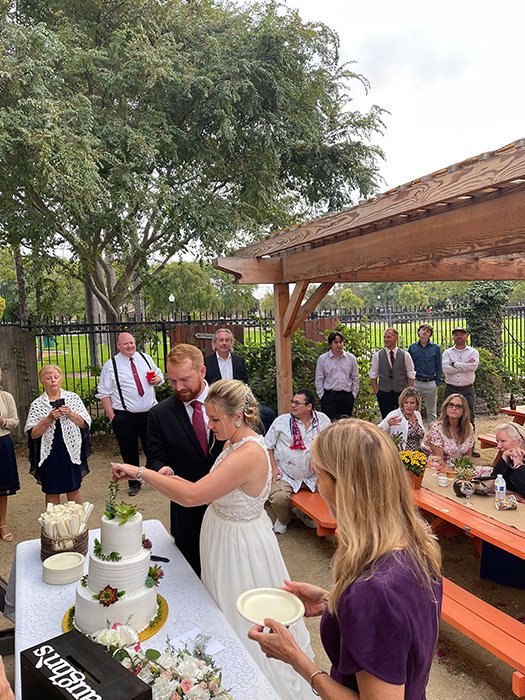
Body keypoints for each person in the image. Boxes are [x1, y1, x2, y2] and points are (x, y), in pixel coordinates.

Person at [113, 379, 313, 700]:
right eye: (208, 417)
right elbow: (210, 488)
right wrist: (171, 479)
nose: (210, 425)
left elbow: (194, 496)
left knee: (241, 620)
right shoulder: (233, 442)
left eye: (215, 419)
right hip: (225, 536)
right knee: (222, 611)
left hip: (239, 548)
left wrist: (140, 473)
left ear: (239, 416)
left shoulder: (248, 452)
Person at [248, 419, 442, 698]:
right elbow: (399, 623)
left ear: (344, 486)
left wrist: (296, 658)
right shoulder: (415, 541)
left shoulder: (371, 591)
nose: (316, 484)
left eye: (318, 474)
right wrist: (333, 600)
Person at [146, 344, 224, 576]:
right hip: (187, 514)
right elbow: (155, 459)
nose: (178, 387)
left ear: (202, 371)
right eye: (172, 381)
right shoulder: (159, 414)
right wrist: (163, 470)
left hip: (228, 509)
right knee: (192, 576)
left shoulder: (229, 402)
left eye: (185, 379)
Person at [97, 331, 164, 496]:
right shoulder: (111, 365)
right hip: (125, 416)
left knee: (153, 449)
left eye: (132, 343)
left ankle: (155, 478)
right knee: (129, 451)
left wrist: (158, 380)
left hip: (149, 414)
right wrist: (112, 417)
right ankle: (134, 482)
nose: (130, 346)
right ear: (118, 346)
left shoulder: (145, 358)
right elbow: (104, 393)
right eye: (126, 344)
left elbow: (159, 375)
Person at [265, 388, 331, 534]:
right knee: (278, 498)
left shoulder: (323, 420)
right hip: (286, 474)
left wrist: (323, 465)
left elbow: (330, 445)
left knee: (336, 490)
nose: (293, 405)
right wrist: (274, 469)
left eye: (297, 403)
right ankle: (283, 519)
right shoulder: (281, 421)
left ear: (309, 407)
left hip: (314, 475)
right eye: (292, 402)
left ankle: (306, 514)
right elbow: (267, 446)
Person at [25, 365, 91, 506]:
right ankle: (53, 526)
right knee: (52, 490)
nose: (53, 381)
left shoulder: (72, 398)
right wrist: (48, 418)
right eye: (48, 378)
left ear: (61, 378)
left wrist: (70, 413)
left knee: (73, 488)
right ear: (42, 381)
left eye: (56, 377)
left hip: (71, 450)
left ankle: (77, 525)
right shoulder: (37, 404)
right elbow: (33, 434)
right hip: (50, 453)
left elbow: (85, 424)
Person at [479, 422, 525, 588]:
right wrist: (505, 461)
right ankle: (495, 573)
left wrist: (519, 465)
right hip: (509, 508)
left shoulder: (521, 456)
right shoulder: (507, 454)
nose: (498, 445)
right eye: (497, 441)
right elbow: (493, 481)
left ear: (518, 441)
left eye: (502, 441)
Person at [204, 328, 274, 432]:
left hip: (238, 401)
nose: (224, 343)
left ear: (231, 343)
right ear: (215, 343)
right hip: (218, 403)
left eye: (227, 340)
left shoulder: (238, 361)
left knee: (268, 413)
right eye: (221, 340)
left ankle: (258, 442)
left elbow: (245, 383)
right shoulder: (207, 362)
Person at [442, 327, 480, 455]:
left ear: (466, 336)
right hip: (451, 388)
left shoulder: (473, 352)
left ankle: (470, 446)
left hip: (467, 389)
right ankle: (448, 445)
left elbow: (473, 366)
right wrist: (464, 365)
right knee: (448, 416)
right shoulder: (447, 353)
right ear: (453, 337)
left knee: (470, 417)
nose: (459, 337)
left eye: (461, 334)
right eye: (456, 335)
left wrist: (455, 364)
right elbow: (446, 369)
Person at [369, 328, 415, 419]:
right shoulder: (377, 355)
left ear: (396, 338)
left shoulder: (405, 355)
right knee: (387, 419)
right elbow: (373, 374)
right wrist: (377, 392)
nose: (386, 339)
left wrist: (408, 391)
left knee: (403, 418)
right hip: (384, 393)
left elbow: (411, 374)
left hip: (401, 392)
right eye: (385, 337)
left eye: (389, 337)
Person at [315, 331, 359, 420]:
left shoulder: (351, 358)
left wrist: (353, 395)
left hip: (346, 396)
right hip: (329, 396)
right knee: (329, 425)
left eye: (340, 342)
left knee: (345, 425)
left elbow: (355, 378)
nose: (338, 345)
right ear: (330, 344)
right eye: (335, 342)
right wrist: (322, 396)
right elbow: (319, 379)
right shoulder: (323, 359)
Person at [426, 393, 474, 467]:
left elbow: (468, 459)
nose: (454, 408)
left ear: (463, 411)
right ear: (446, 408)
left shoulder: (469, 428)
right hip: (441, 469)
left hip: (462, 470)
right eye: (451, 405)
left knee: (490, 472)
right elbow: (439, 460)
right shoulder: (436, 429)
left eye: (458, 406)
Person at [0, 369, 20, 542]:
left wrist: (3, 421)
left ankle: (2, 525)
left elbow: (15, 421)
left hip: (2, 443)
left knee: (2, 489)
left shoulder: (6, 396)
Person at [408, 323, 442, 424]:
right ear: (418, 332)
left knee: (431, 412)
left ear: (430, 334)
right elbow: (409, 365)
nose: (425, 332)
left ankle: (432, 436)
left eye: (428, 331)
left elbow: (439, 365)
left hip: (430, 382)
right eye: (423, 330)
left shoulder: (435, 348)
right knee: (414, 410)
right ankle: (415, 432)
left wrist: (437, 382)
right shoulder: (412, 347)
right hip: (416, 382)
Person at [378, 387, 425, 451]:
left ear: (417, 404)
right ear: (402, 403)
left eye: (412, 403)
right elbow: (377, 430)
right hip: (400, 454)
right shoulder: (395, 414)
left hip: (417, 455)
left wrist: (424, 447)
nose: (409, 406)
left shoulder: (417, 415)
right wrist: (387, 424)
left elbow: (418, 439)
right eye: (406, 402)